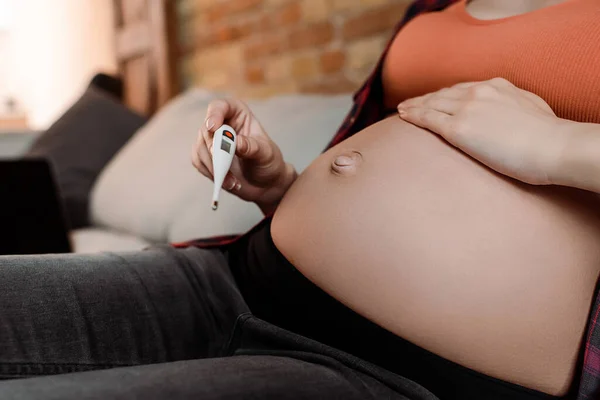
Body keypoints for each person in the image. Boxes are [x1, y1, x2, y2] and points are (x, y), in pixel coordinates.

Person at [0, 0, 599, 399]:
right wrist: (285, 188)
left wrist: (557, 144)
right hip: (237, 277)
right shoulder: (436, 7)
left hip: (401, 374)